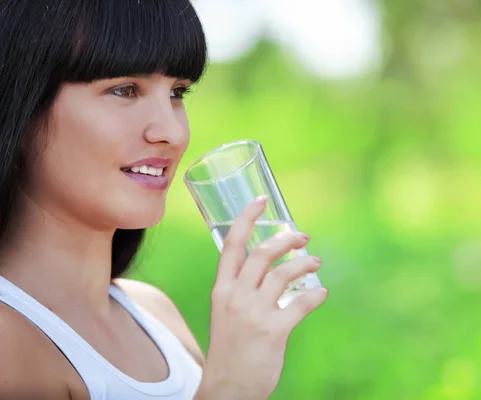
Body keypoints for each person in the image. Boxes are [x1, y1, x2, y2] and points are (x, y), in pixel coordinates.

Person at [0, 0, 328, 399]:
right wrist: (231, 388)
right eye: (124, 90)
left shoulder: (153, 313)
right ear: (22, 103)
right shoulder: (10, 344)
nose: (172, 132)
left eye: (177, 93)